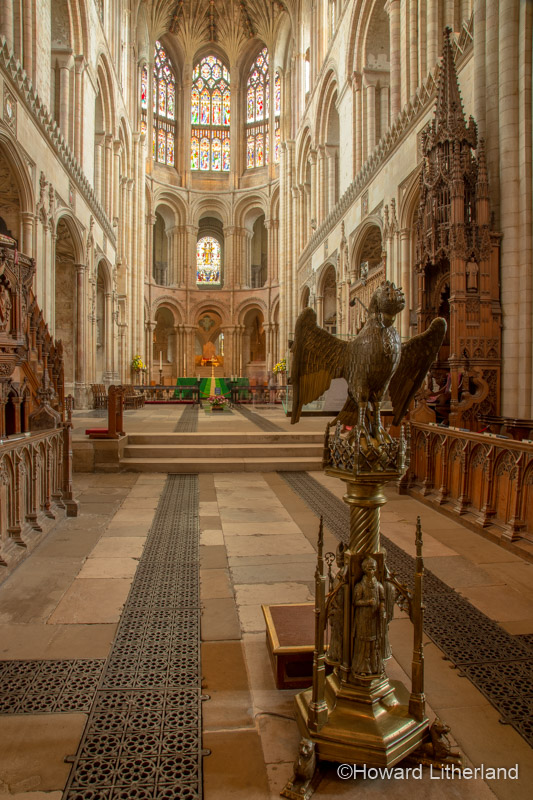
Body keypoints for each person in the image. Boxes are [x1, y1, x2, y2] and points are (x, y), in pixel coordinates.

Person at [351, 556, 386, 677]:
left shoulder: (379, 586)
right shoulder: (360, 586)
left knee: (374, 642)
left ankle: (375, 666)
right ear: (365, 569)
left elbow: (383, 599)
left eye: (374, 568)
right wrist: (367, 603)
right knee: (363, 643)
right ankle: (362, 667)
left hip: (374, 619)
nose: (372, 571)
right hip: (363, 617)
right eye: (370, 568)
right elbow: (355, 601)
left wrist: (382, 608)